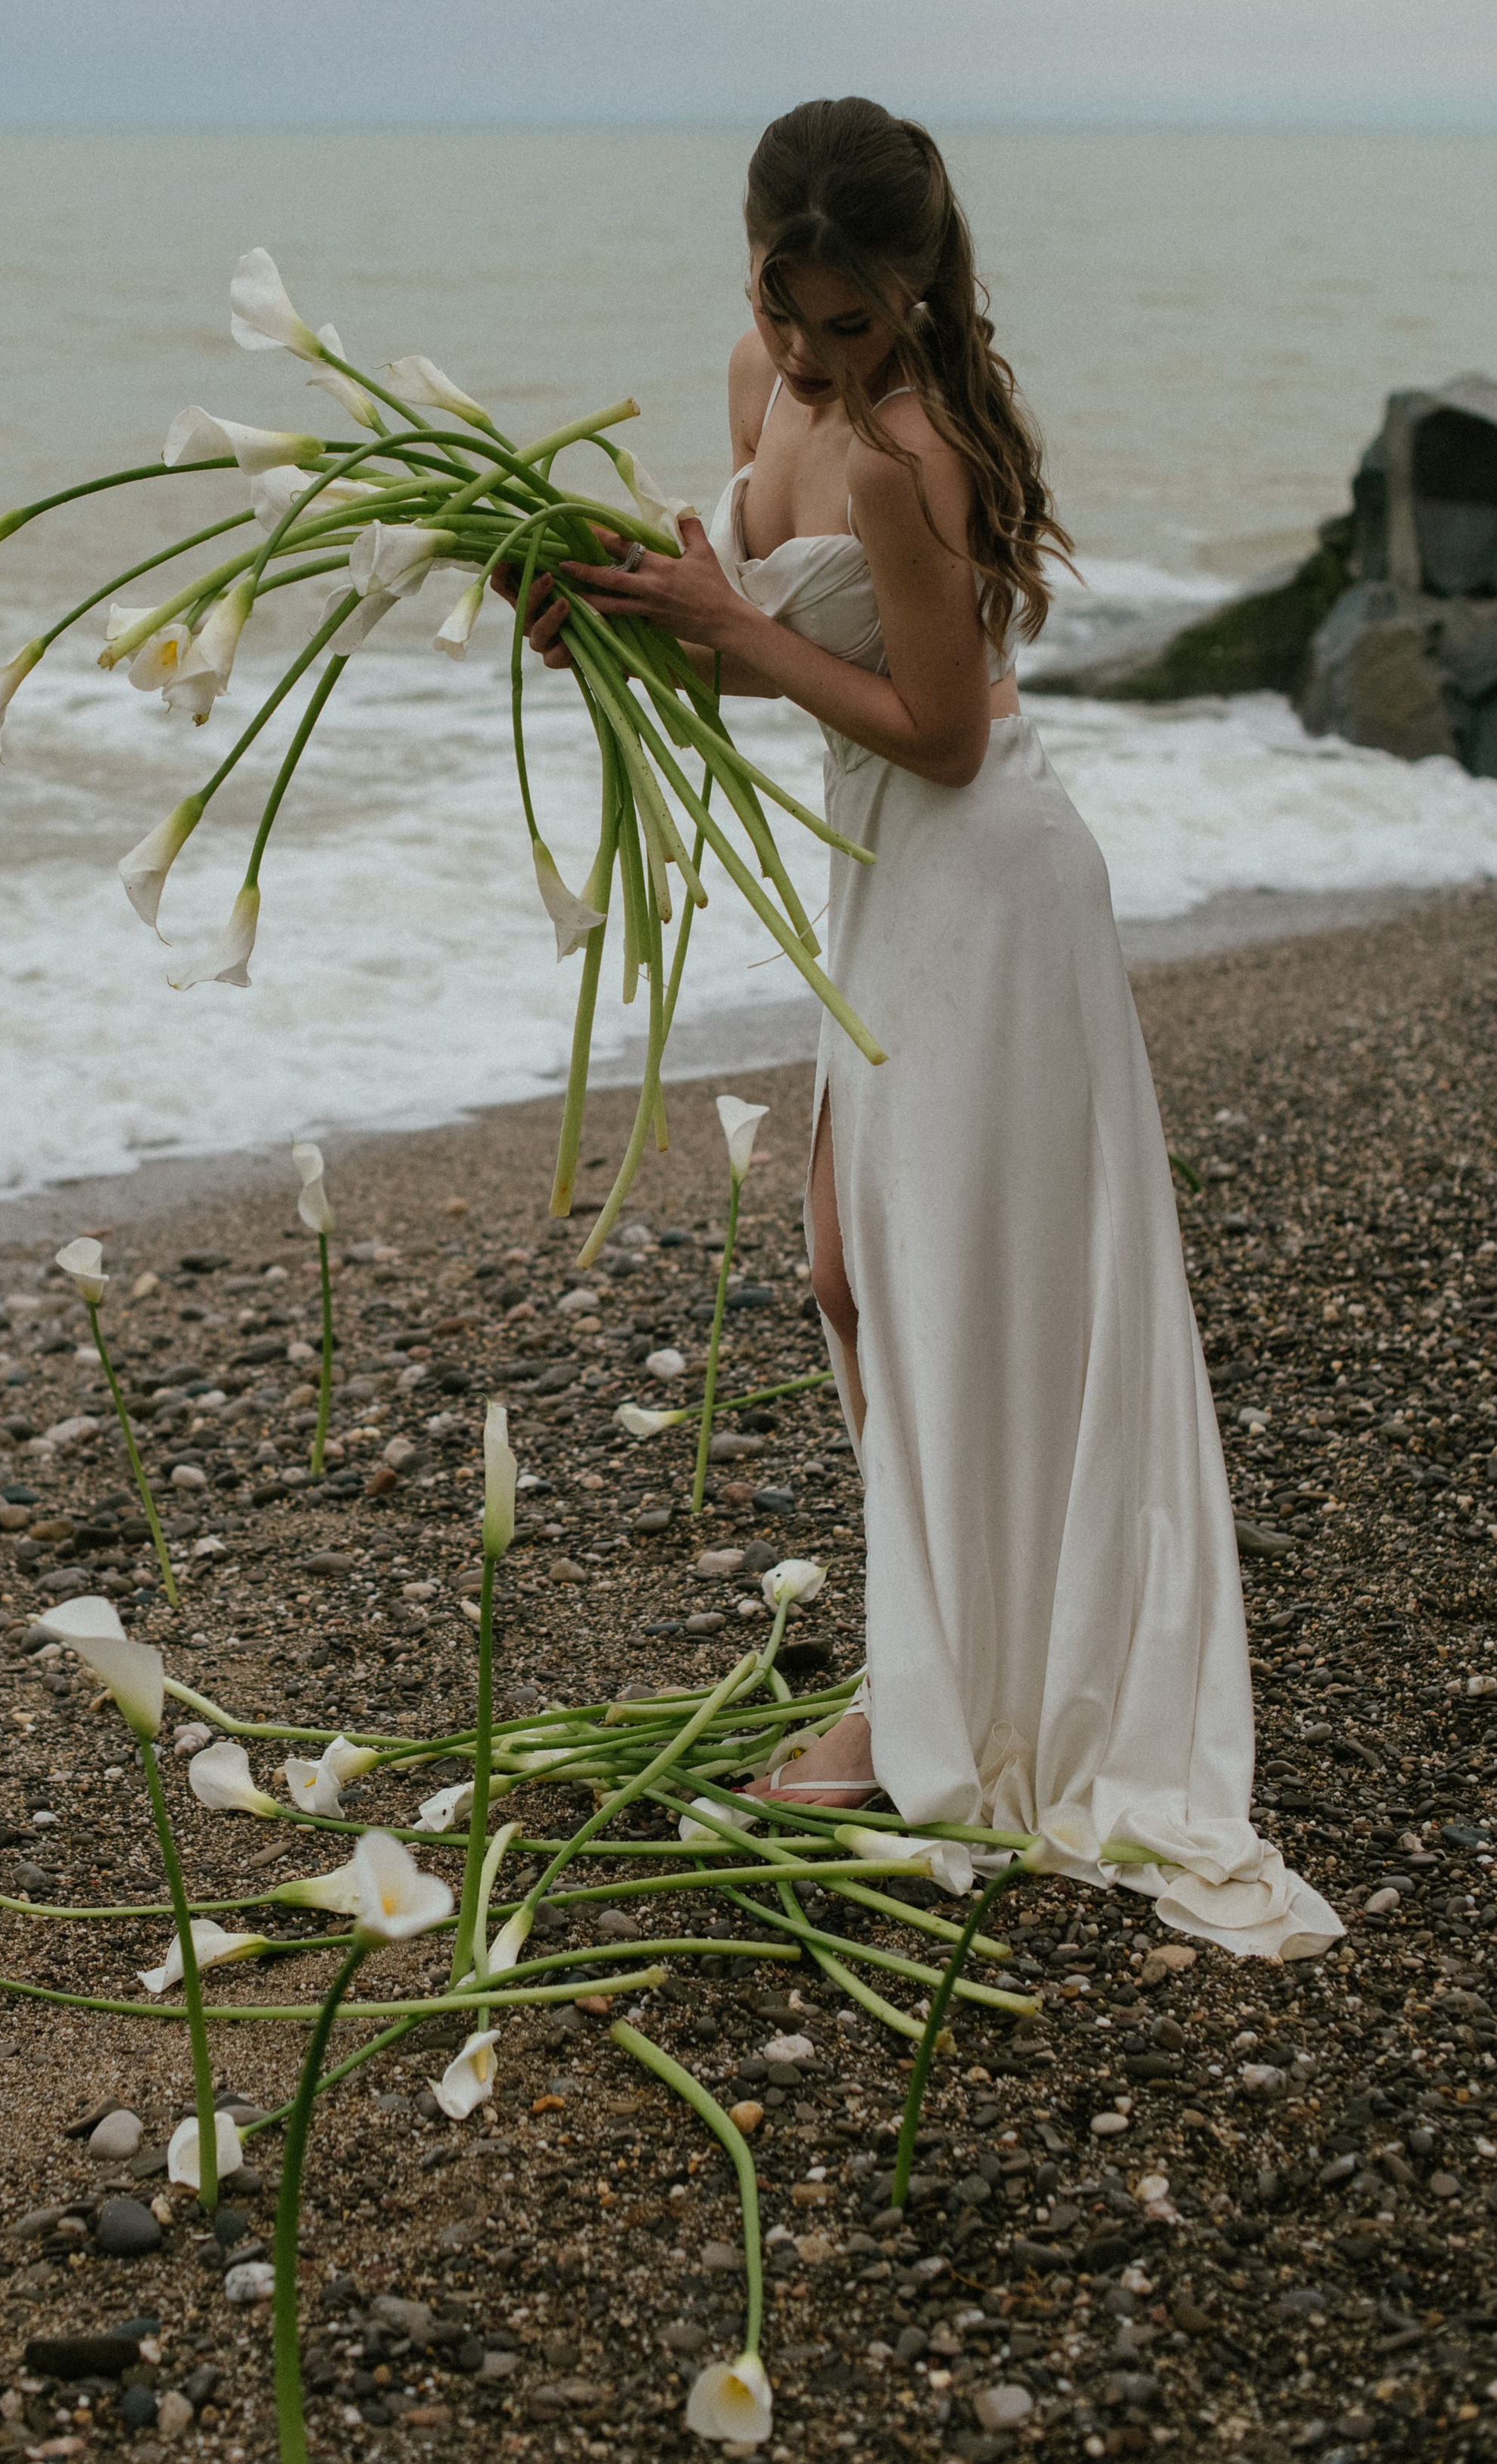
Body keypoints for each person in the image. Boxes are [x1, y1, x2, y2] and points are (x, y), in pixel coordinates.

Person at [509, 95, 1339, 1960]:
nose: (805, 356)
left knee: (916, 1279)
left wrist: (724, 635)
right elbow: (736, 615)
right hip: (880, 870)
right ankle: (936, 1657)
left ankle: (933, 1704)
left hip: (983, 870)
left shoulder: (907, 453)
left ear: (915, 292)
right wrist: (600, 604)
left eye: (845, 323)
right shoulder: (763, 382)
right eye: (782, 311)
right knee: (839, 1269)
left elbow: (944, 727)